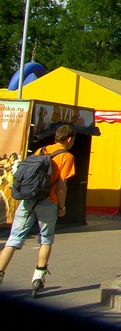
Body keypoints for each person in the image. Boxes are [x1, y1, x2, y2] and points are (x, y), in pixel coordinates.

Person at [0, 125, 76, 293]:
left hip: (28, 199)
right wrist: (62, 207)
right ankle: (38, 277)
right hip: (49, 202)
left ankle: (0, 272)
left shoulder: (40, 151)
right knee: (46, 239)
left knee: (14, 239)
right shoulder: (67, 157)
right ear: (69, 139)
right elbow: (61, 186)